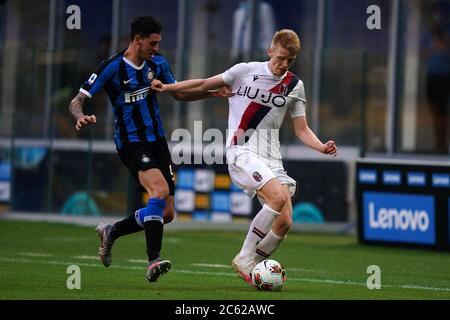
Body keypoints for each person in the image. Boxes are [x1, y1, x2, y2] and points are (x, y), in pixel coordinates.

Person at [151, 29, 337, 287]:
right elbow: (204, 84)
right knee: (278, 197)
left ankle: (254, 267)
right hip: (242, 150)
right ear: (270, 51)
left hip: (272, 158)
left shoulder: (295, 86)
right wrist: (168, 87)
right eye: (280, 57)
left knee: (284, 222)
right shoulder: (244, 71)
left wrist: (321, 146)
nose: (284, 64)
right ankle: (245, 258)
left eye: (290, 60)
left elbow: (302, 129)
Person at [68, 16, 230, 283]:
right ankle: (153, 260)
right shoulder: (111, 67)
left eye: (158, 43)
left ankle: (111, 232)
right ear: (137, 40)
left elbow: (177, 93)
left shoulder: (158, 64)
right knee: (159, 190)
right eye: (152, 43)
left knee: (166, 213)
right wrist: (79, 116)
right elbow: (77, 100)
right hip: (131, 143)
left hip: (158, 142)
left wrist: (211, 94)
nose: (156, 48)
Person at [421, 1, 450, 154]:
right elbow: (423, 55)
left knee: (443, 111)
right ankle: (439, 143)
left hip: (445, 75)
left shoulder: (447, 30)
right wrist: (435, 46)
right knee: (434, 111)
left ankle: (444, 143)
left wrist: (439, 42)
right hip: (432, 75)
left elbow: (446, 48)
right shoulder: (428, 33)